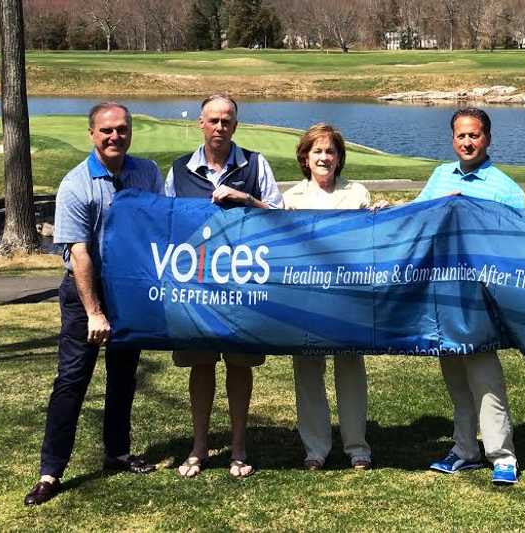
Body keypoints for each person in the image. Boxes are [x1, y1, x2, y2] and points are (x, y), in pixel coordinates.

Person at [24, 102, 163, 506]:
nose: (114, 136)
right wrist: (94, 312)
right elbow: (79, 253)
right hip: (85, 291)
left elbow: (157, 227)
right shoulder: (77, 183)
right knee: (72, 380)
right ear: (92, 134)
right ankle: (51, 472)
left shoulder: (147, 173)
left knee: (124, 377)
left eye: (121, 129)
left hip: (130, 289)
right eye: (106, 130)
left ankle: (117, 452)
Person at [165, 94, 283, 479]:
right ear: (201, 123)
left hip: (241, 284)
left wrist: (246, 198)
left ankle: (237, 447)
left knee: (239, 365)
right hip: (195, 287)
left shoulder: (255, 164)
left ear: (236, 125)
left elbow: (280, 219)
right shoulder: (179, 169)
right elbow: (164, 224)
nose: (220, 127)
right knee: (199, 365)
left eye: (227, 121)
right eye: (213, 120)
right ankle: (198, 447)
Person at [416, 108, 523, 485]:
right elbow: (415, 219)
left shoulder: (504, 186)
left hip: (480, 298)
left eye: (474, 135)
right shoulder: (440, 176)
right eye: (461, 135)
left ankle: (502, 456)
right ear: (452, 139)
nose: (467, 142)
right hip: (443, 294)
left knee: (484, 378)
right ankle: (465, 450)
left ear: (488, 139)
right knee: (455, 379)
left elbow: (519, 240)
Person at [284, 123, 386, 471]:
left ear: (339, 157)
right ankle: (315, 448)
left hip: (348, 295)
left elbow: (370, 241)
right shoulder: (292, 199)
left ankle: (358, 447)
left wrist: (382, 216)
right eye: (317, 151)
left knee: (350, 369)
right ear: (305, 158)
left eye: (330, 151)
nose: (324, 157)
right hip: (307, 296)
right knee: (308, 370)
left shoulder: (357, 193)